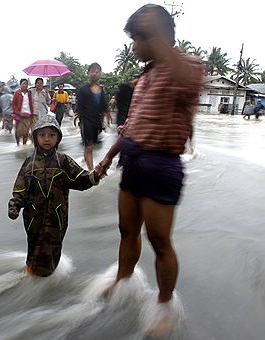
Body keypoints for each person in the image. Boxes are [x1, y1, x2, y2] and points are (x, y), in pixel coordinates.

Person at [95, 5, 205, 337]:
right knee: (126, 231)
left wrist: (159, 41)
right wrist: (106, 159)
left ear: (155, 37)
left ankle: (164, 304)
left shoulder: (188, 65)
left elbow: (189, 85)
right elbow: (130, 127)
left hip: (162, 165)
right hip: (133, 163)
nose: (132, 46)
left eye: (137, 38)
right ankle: (122, 280)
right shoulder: (144, 77)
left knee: (159, 240)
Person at [8, 115, 100, 277]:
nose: (47, 139)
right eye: (42, 135)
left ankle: (50, 277)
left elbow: (80, 179)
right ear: (35, 137)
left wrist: (95, 175)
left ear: (58, 137)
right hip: (33, 216)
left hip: (57, 215)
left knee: (53, 246)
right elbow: (20, 188)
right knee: (34, 244)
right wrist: (15, 205)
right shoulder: (29, 163)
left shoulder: (63, 161)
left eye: (52, 135)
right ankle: (31, 273)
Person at [76, 63, 109, 171]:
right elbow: (79, 107)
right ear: (88, 73)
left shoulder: (102, 90)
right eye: (92, 71)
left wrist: (106, 117)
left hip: (97, 122)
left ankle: (87, 163)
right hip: (86, 120)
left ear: (100, 74)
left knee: (91, 146)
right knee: (89, 147)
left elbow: (104, 106)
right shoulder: (82, 90)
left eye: (97, 71)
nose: (95, 73)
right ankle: (91, 171)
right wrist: (78, 118)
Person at [11, 79, 34, 146]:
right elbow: (13, 104)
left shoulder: (29, 93)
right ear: (20, 85)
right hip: (20, 115)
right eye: (23, 83)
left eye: (26, 84)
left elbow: (31, 103)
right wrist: (18, 112)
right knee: (18, 132)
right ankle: (18, 144)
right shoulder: (17, 93)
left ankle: (24, 145)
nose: (25, 85)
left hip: (28, 114)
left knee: (26, 132)